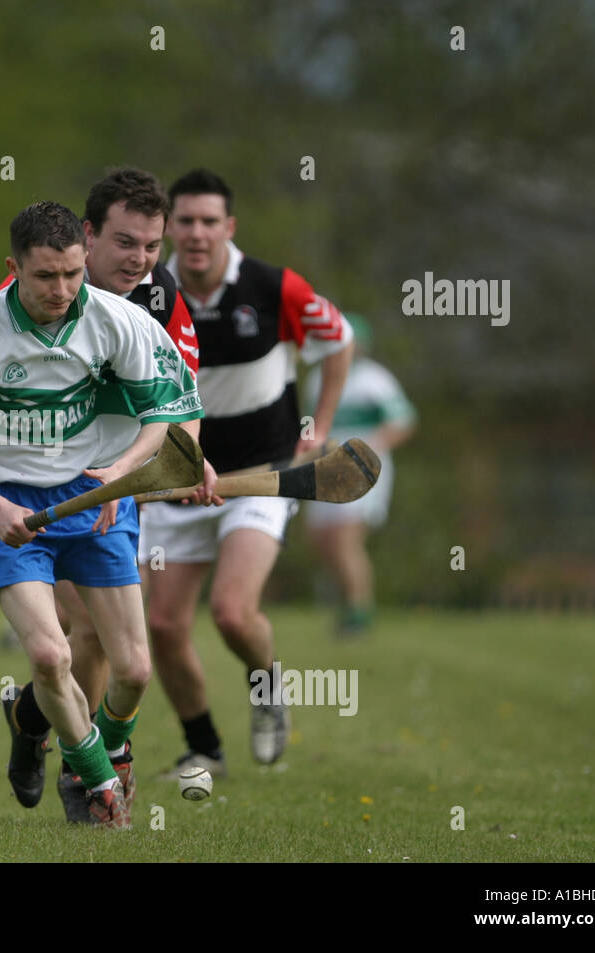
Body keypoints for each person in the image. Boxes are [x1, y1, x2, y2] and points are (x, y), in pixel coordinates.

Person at [0, 201, 203, 828]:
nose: (61, 290)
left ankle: (84, 740)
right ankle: (97, 784)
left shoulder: (120, 321)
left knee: (135, 670)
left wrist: (120, 476)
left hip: (93, 500)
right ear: (15, 269)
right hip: (7, 507)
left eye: (72, 274)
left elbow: (167, 414)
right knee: (52, 658)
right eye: (45, 277)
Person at [0, 168, 213, 822]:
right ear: (86, 236)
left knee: (100, 648)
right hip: (37, 491)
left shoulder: (162, 298)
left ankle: (41, 726)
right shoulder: (28, 296)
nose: (140, 259)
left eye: (152, 245)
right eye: (124, 243)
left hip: (117, 483)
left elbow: (183, 400)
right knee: (77, 633)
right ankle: (91, 767)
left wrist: (188, 453)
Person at [145, 168, 352, 778]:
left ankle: (266, 693)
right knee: (162, 624)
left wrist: (317, 430)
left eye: (210, 221)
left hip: (261, 478)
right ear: (169, 228)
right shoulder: (149, 291)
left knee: (232, 613)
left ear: (228, 227)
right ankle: (203, 747)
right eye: (184, 221)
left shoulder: (273, 286)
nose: (197, 233)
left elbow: (336, 344)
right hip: (178, 482)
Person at [303, 313, 416, 636]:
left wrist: (368, 448)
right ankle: (346, 602)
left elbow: (403, 421)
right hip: (327, 468)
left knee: (345, 538)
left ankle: (359, 611)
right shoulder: (316, 379)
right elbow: (314, 427)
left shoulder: (375, 380)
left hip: (365, 470)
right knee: (320, 538)